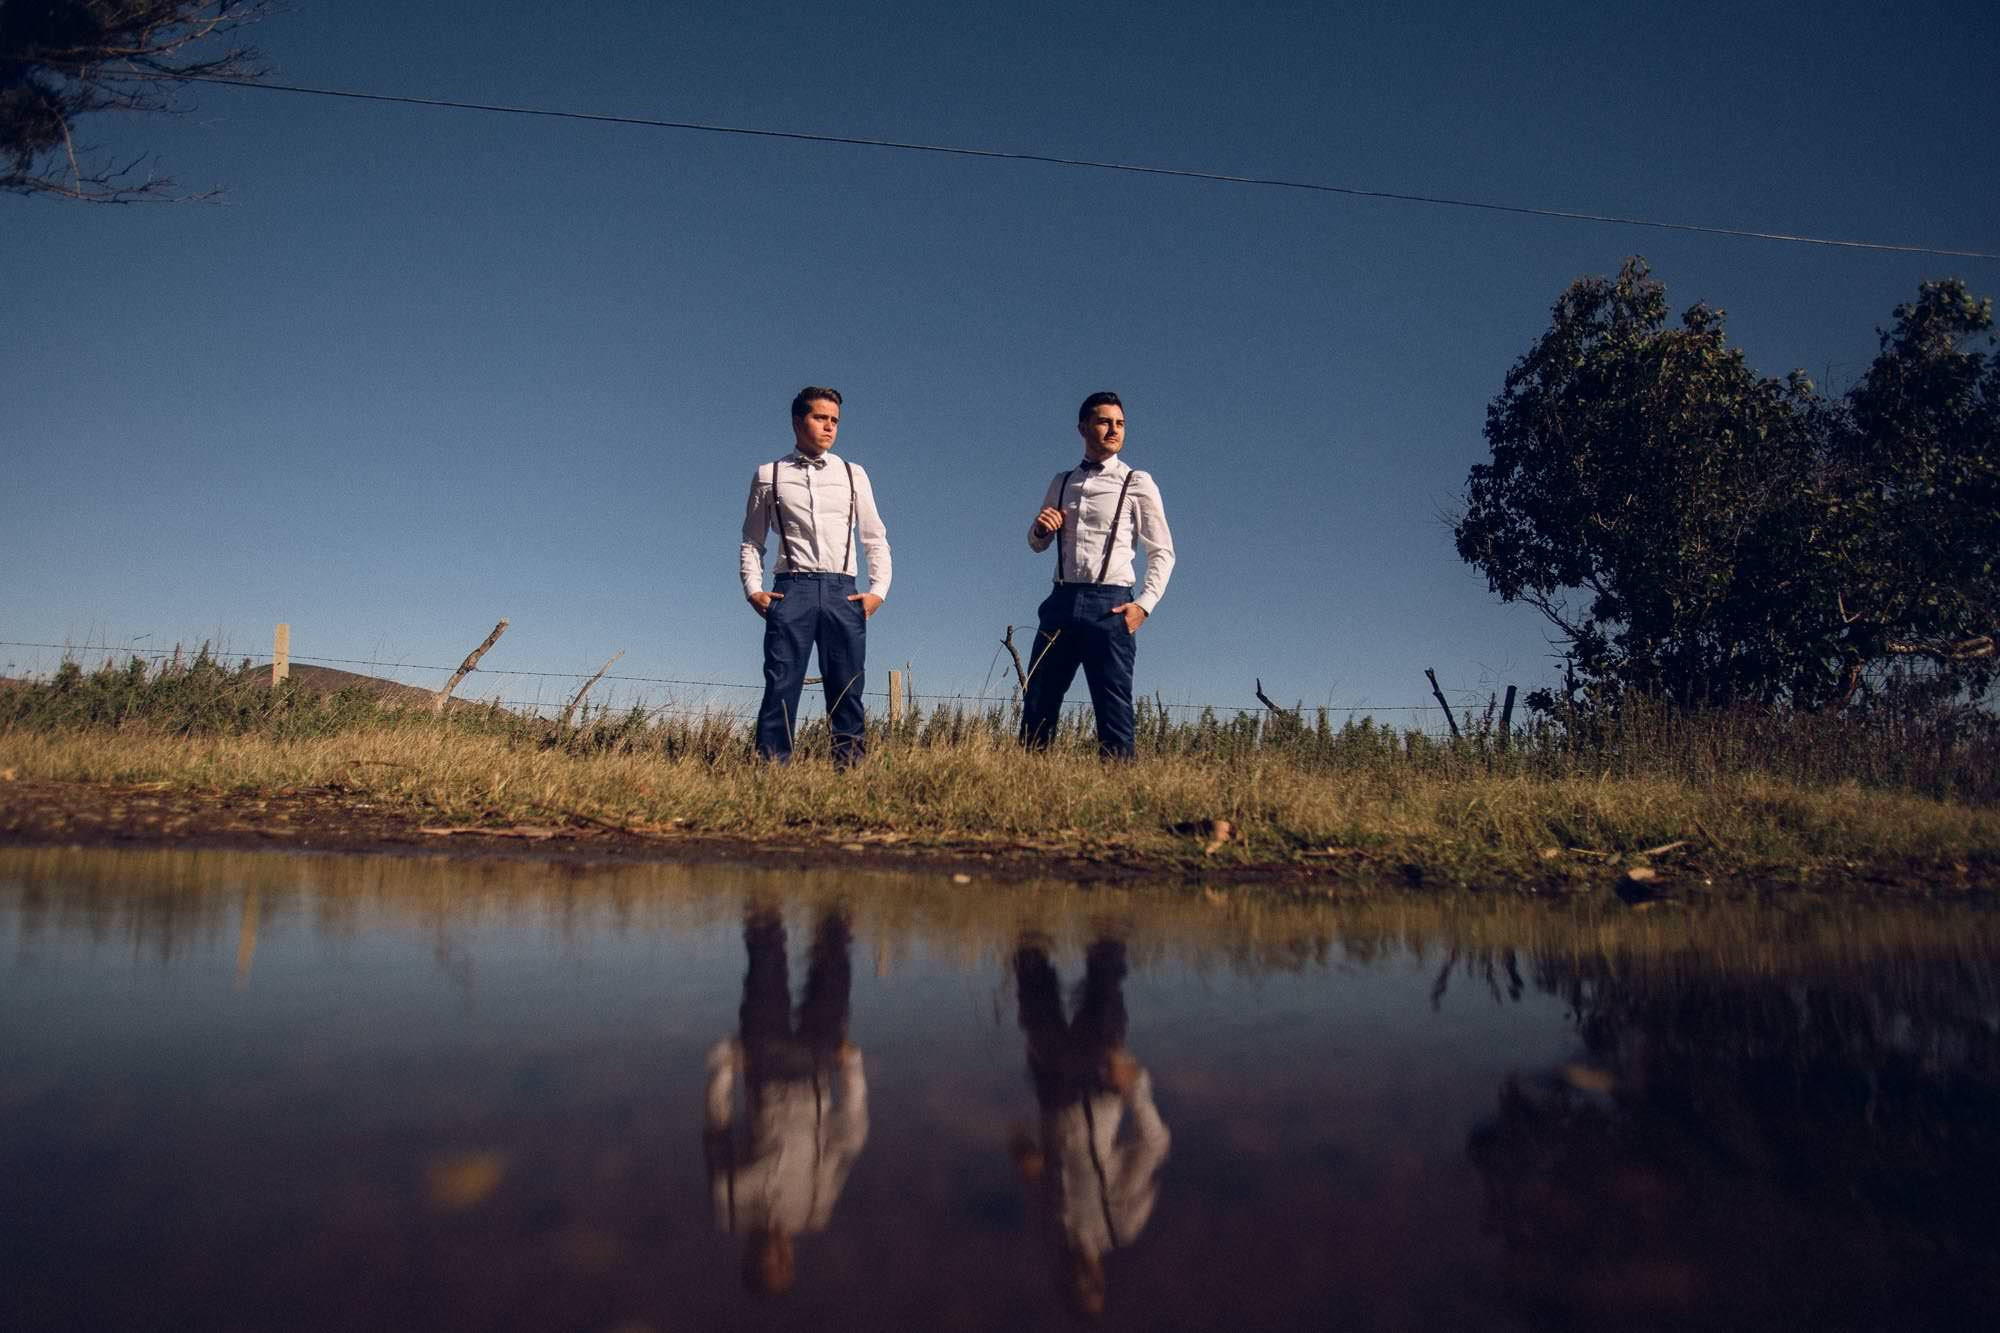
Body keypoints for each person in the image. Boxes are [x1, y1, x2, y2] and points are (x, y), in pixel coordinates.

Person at [704, 907, 867, 1296]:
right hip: (817, 1069)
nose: (777, 1256)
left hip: (765, 1062)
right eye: (784, 1265)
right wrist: (853, 1071)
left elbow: (717, 1128)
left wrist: (726, 1067)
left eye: (768, 1265)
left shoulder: (729, 1201)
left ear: (749, 1259)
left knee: (765, 958)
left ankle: (764, 889)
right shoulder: (815, 1209)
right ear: (792, 1261)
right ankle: (836, 894)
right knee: (835, 960)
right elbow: (848, 1139)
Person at [1009, 935, 1171, 1319]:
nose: (1081, 1278)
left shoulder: (1051, 1229)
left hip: (1052, 1092)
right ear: (1101, 1279)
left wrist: (1024, 1153)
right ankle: (1110, 909)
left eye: (1075, 1287)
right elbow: (1154, 1145)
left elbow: (1032, 1163)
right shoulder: (1121, 1225)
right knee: (1105, 979)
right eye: (1092, 1286)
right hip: (1098, 1088)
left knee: (1031, 981)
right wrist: (1134, 1085)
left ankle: (1028, 918)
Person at [740, 387, 892, 765]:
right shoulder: (769, 474)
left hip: (844, 591)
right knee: (781, 685)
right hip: (792, 589)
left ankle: (850, 773)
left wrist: (879, 590)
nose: (828, 427)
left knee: (847, 687)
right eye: (819, 418)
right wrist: (753, 589)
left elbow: (874, 536)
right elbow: (751, 540)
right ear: (797, 421)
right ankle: (772, 773)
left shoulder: (853, 474)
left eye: (834, 420)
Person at [1022, 391, 1175, 758]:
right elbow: (1035, 543)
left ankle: (1119, 795)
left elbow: (1162, 551)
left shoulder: (1137, 482)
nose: (1113, 430)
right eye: (1105, 422)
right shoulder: (1061, 482)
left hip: (1111, 603)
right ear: (1083, 427)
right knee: (1039, 700)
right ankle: (1027, 783)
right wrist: (1041, 529)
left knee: (1113, 707)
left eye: (1120, 424)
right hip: (1061, 600)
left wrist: (1144, 605)